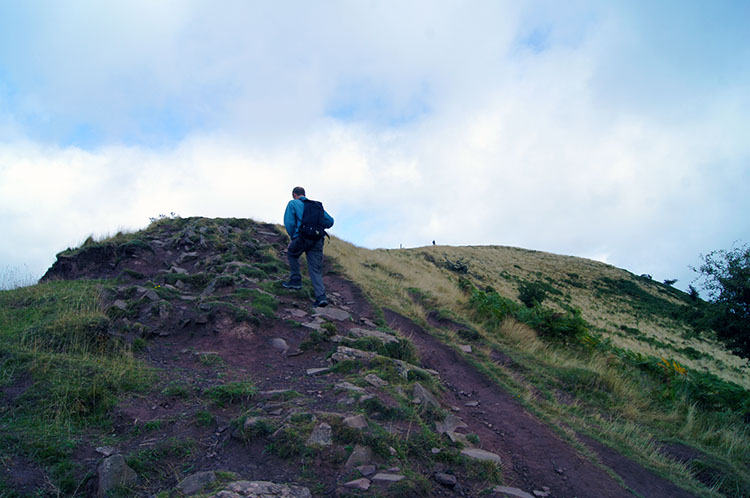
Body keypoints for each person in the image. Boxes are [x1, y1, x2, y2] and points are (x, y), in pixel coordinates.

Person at [282, 186, 334, 307]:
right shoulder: (316, 206)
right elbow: (330, 221)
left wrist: (293, 236)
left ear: (294, 194)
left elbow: (289, 222)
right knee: (315, 269)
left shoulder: (293, 203)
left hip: (302, 237)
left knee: (292, 253)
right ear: (304, 194)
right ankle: (321, 297)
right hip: (317, 239)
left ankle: (295, 281)